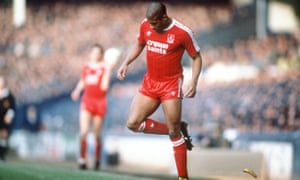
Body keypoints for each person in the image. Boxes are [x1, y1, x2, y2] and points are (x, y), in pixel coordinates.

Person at [117, 2, 203, 180]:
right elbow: (139, 44)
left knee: (174, 135)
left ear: (164, 18)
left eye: (155, 23)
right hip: (150, 83)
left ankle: (183, 177)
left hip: (171, 85)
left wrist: (193, 81)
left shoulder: (182, 32)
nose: (151, 26)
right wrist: (126, 62)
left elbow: (196, 57)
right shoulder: (145, 24)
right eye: (149, 22)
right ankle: (179, 128)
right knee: (133, 124)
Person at [71, 44, 111, 170]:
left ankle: (97, 159)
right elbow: (83, 80)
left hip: (99, 102)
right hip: (87, 101)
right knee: (83, 132)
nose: (95, 55)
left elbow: (105, 88)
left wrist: (109, 71)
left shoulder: (105, 67)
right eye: (93, 52)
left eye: (98, 53)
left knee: (96, 134)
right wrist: (77, 90)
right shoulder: (86, 67)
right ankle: (82, 159)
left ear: (101, 55)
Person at [0, 74, 16, 161]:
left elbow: (12, 107)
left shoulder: (8, 95)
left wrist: (9, 115)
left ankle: (2, 155)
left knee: (4, 135)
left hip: (4, 119)